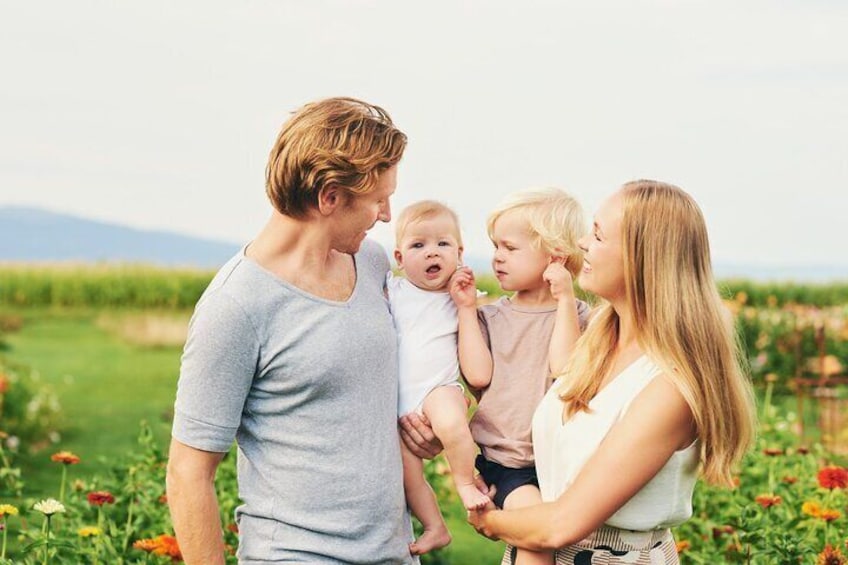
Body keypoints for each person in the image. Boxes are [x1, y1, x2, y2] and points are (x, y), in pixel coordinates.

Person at [165, 97, 417, 564]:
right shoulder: (236, 306)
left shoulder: (372, 262)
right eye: (378, 199)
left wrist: (418, 427)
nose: (386, 215)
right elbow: (187, 473)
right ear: (329, 197)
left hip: (395, 553)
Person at [467, 180, 757, 565]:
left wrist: (489, 520)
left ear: (641, 257)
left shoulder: (669, 386)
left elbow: (561, 525)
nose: (583, 243)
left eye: (599, 235)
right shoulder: (595, 341)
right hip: (536, 545)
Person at [449, 188, 591, 565]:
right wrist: (466, 311)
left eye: (510, 248)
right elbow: (478, 376)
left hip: (561, 464)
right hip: (510, 462)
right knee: (536, 537)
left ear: (554, 258)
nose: (497, 257)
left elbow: (565, 368)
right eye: (495, 246)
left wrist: (563, 300)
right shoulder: (492, 317)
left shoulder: (581, 318)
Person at [388, 200, 489, 555]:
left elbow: (472, 349)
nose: (432, 252)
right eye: (419, 245)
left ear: (459, 253)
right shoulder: (393, 291)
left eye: (443, 244)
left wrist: (466, 304)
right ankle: (434, 526)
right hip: (401, 401)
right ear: (399, 259)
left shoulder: (458, 297)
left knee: (450, 420)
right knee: (406, 470)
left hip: (438, 388)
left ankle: (465, 480)